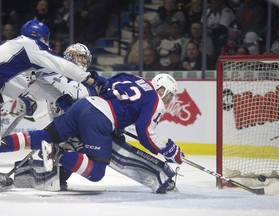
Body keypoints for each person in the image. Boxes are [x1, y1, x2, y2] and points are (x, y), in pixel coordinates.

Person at [0, 73, 184, 193]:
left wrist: (118, 126)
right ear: (161, 88)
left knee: (43, 136)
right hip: (99, 120)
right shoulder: (156, 101)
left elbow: (106, 86)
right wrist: (168, 150)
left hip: (84, 105)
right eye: (168, 95)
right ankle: (58, 153)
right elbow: (145, 133)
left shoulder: (133, 77)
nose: (167, 100)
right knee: (96, 172)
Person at [0, 19, 102, 112]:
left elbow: (34, 82)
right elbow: (61, 65)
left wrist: (59, 99)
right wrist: (88, 78)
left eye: (83, 57)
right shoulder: (31, 45)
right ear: (40, 36)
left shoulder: (18, 48)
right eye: (45, 38)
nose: (80, 61)